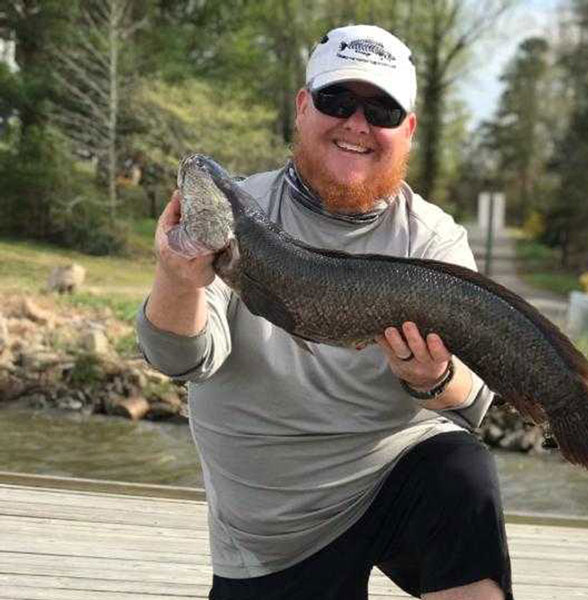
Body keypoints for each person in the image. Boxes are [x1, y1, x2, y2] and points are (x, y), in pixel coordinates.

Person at [136, 24, 512, 600]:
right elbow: (181, 358)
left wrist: (433, 377)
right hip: (273, 533)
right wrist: (177, 279)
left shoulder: (432, 239)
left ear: (407, 130)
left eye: (382, 110)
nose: (357, 124)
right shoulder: (242, 211)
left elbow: (472, 402)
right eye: (338, 100)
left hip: (392, 477)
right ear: (303, 107)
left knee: (463, 475)